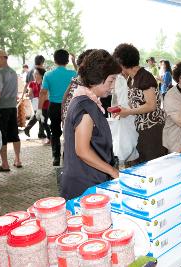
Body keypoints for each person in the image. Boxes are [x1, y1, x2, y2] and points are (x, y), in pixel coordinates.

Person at [61, 49, 120, 200]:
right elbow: (82, 151)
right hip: (85, 184)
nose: (112, 86)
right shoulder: (86, 107)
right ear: (98, 78)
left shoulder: (84, 100)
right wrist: (112, 171)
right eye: (111, 80)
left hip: (85, 179)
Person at [113, 44, 166, 163]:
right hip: (140, 129)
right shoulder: (131, 78)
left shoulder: (144, 77)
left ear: (121, 63)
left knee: (152, 165)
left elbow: (151, 105)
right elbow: (136, 103)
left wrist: (127, 112)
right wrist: (121, 110)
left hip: (151, 128)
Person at [38, 49, 77, 166]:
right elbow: (80, 74)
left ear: (55, 60)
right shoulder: (72, 74)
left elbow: (43, 92)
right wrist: (74, 61)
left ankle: (56, 157)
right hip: (69, 106)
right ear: (67, 60)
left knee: (55, 132)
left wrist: (39, 109)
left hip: (54, 106)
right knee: (69, 131)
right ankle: (67, 157)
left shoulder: (48, 74)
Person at [0, 49, 22, 171]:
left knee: (1, 135)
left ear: (3, 58)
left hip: (1, 109)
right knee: (14, 134)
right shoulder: (13, 72)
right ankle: (18, 160)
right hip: (12, 107)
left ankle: (5, 164)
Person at [61, 49, 96, 125]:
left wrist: (62, 113)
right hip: (74, 119)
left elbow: (65, 96)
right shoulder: (84, 81)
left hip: (69, 117)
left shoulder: (77, 79)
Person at [24, 68, 51, 142]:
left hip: (45, 105)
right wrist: (29, 94)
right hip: (36, 105)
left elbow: (46, 96)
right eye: (34, 73)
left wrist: (40, 99)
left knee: (43, 121)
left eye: (37, 74)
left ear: (41, 75)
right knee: (42, 121)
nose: (35, 75)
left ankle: (49, 137)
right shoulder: (32, 83)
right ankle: (49, 137)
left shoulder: (45, 83)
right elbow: (30, 94)